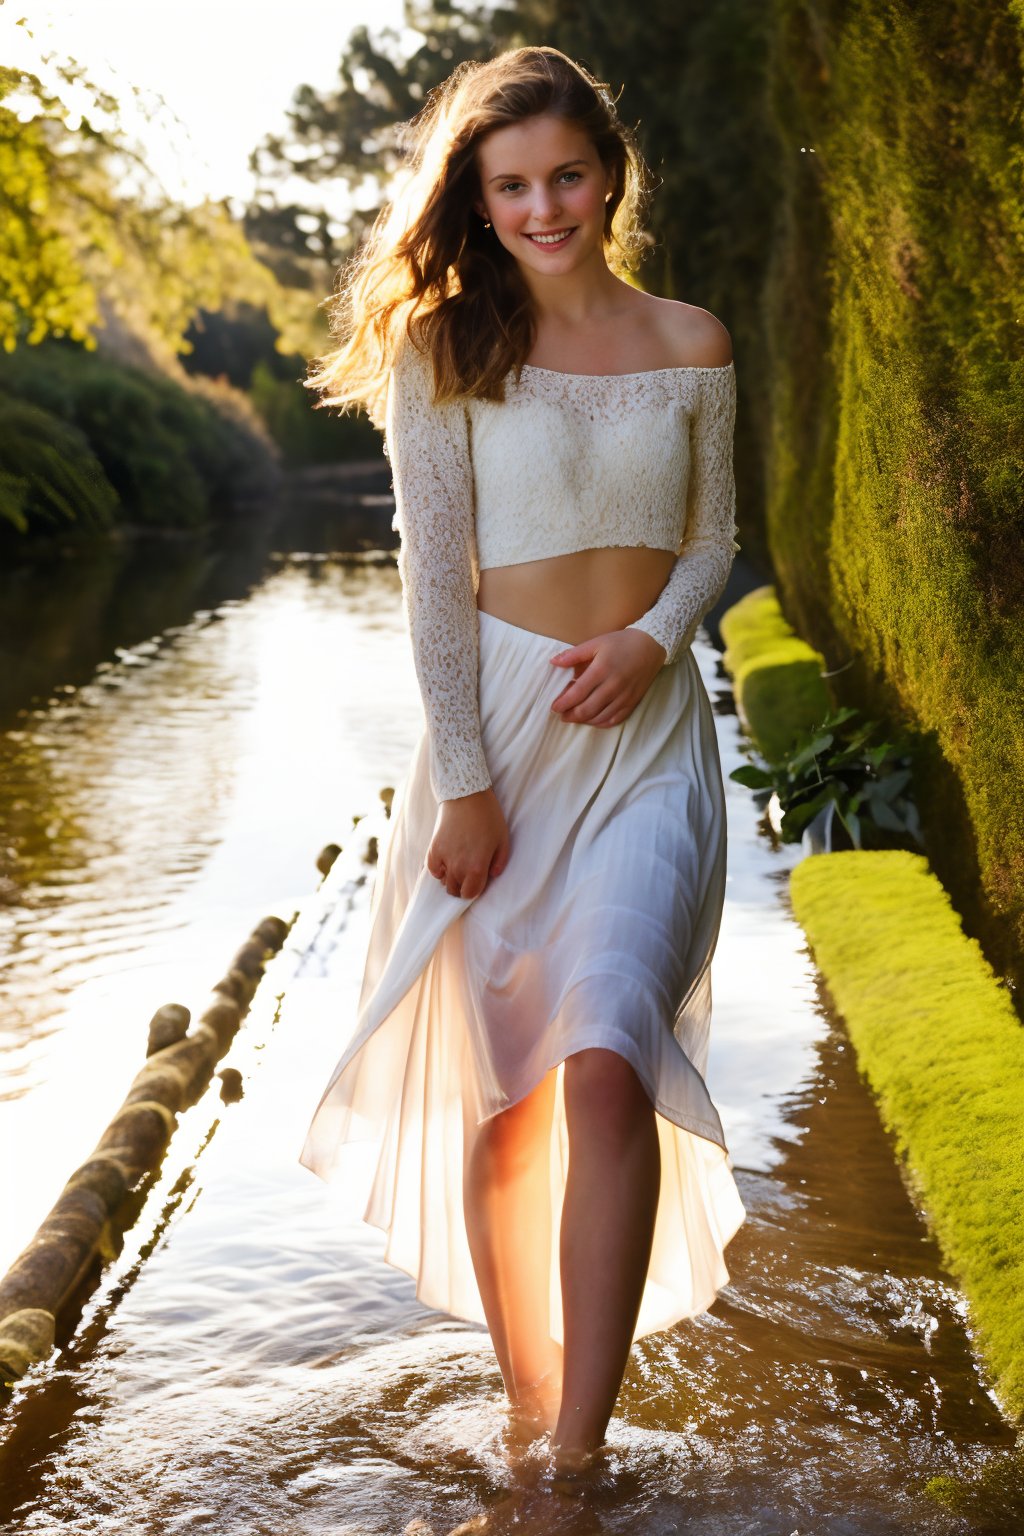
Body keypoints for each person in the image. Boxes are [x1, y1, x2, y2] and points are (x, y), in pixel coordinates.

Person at [299, 43, 747, 1483]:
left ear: (607, 173)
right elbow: (435, 585)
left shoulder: (693, 342)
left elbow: (716, 536)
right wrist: (472, 783)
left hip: (647, 743)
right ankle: (527, 1397)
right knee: (508, 1116)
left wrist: (659, 641)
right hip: (495, 746)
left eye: (565, 174)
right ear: (479, 199)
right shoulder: (444, 351)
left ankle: (572, 1460)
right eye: (512, 185)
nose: (544, 205)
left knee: (610, 1051)